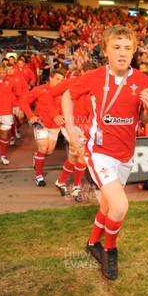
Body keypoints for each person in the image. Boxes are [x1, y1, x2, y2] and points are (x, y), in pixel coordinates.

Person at [61, 25, 148, 280]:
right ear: (106, 51)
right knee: (121, 205)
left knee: (107, 203)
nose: (122, 53)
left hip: (126, 154)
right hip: (98, 151)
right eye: (116, 48)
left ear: (134, 50)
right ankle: (109, 250)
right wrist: (71, 128)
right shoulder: (94, 76)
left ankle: (92, 244)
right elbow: (67, 97)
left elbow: (147, 118)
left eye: (127, 48)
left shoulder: (143, 80)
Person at [49, 61, 99, 202]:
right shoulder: (71, 83)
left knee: (74, 156)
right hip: (70, 124)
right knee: (82, 153)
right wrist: (55, 114)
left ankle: (61, 181)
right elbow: (50, 95)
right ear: (82, 72)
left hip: (86, 125)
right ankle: (77, 187)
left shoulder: (97, 87)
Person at [20, 69, 66, 186]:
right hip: (41, 123)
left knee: (49, 151)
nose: (60, 82)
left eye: (62, 80)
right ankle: (39, 177)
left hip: (55, 125)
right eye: (57, 79)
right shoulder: (39, 89)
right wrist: (30, 116)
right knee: (43, 147)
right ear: (50, 78)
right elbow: (24, 102)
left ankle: (37, 157)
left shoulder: (64, 92)